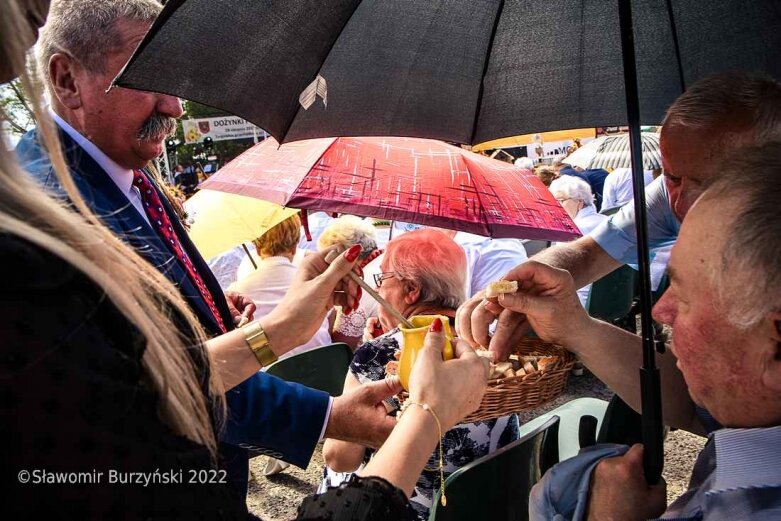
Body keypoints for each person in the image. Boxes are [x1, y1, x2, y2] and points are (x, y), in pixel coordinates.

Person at [0, 1, 393, 517]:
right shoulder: (61, 218)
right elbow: (154, 387)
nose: (176, 107)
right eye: (150, 80)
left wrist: (209, 314)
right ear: (67, 80)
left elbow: (181, 350)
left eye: (178, 82)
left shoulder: (120, 171)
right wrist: (329, 412)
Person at [511, 145, 781, 519]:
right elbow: (694, 410)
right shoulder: (754, 415)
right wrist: (575, 327)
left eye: (686, 295)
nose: (660, 310)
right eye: (670, 176)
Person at [458, 71, 781, 381]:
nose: (680, 203)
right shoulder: (673, 195)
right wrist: (523, 282)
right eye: (670, 177)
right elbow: (592, 251)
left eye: (711, 184)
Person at [322, 229, 520, 520]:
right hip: (486, 501)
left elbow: (340, 459)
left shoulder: (379, 355)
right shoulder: (491, 341)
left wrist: (372, 350)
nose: (379, 291)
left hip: (404, 509)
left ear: (411, 289)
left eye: (382, 280)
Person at [229, 214, 332, 361]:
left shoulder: (237, 292)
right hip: (326, 365)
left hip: (272, 375)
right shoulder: (316, 280)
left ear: (257, 248)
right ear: (295, 246)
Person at [314, 215, 381, 348]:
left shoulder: (358, 288)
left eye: (329, 263)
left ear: (340, 258)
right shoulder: (385, 258)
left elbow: (341, 347)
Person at [547, 175, 607, 307]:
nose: (555, 207)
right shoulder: (604, 220)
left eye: (561, 201)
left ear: (579, 203)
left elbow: (559, 274)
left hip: (580, 301)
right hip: (610, 298)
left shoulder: (572, 231)